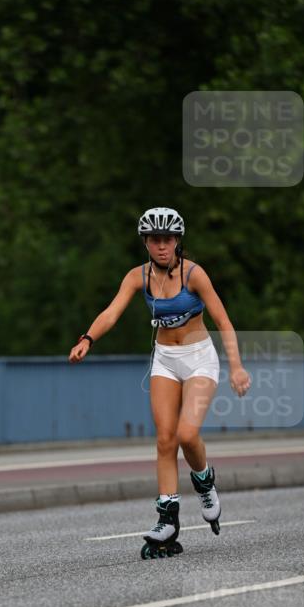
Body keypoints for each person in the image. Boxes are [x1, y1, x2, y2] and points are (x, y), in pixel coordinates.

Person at [68, 207, 251, 558]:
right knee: (165, 439)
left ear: (178, 240)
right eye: (155, 240)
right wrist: (87, 339)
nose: (162, 246)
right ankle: (167, 519)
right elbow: (111, 312)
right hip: (165, 360)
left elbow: (223, 321)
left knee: (187, 434)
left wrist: (237, 367)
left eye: (168, 239)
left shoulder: (194, 274)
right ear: (146, 243)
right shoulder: (137, 277)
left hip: (199, 357)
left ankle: (204, 481)